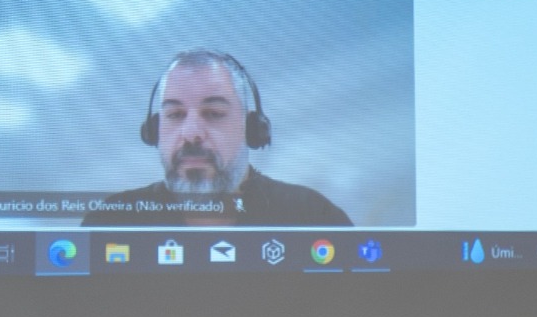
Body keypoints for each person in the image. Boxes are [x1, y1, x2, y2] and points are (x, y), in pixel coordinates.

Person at [82, 50, 350, 228]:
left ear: (252, 128)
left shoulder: (311, 215)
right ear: (154, 130)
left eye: (213, 113)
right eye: (175, 114)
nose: (191, 133)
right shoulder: (112, 219)